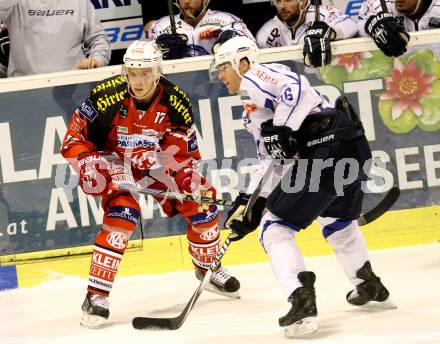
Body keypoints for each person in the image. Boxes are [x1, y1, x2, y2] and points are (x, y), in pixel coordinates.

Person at [210, 36, 396, 338]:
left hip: (326, 149)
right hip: (350, 151)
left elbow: (295, 88)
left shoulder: (255, 76)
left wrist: (283, 127)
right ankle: (368, 284)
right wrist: (249, 204)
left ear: (242, 62)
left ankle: (301, 300)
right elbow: (273, 160)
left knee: (276, 228)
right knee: (337, 223)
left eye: (223, 67)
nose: (220, 76)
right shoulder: (253, 108)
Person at [61, 40, 240, 328]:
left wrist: (185, 180)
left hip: (154, 161)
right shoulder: (105, 96)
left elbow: (181, 155)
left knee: (203, 203)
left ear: (157, 72)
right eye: (133, 73)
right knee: (123, 213)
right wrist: (88, 165)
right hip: (111, 160)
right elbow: (73, 140)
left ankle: (207, 269)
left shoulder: (176, 101)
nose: (138, 81)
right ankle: (96, 296)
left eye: (145, 73)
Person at [0, 0, 111, 77]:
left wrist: (97, 60)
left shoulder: (80, 2)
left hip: (72, 86)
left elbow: (99, 38)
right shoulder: (15, 3)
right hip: (24, 88)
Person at [256, 0, 358, 67]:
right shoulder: (266, 33)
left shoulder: (323, 13)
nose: (281, 6)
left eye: (288, 0)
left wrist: (330, 32)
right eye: (278, 0)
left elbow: (352, 25)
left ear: (304, 1)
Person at [149, 0, 254, 60]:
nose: (186, 1)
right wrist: (160, 52)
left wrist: (235, 42)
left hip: (220, 86)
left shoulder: (228, 21)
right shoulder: (160, 27)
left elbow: (252, 51)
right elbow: (146, 63)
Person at [356, 0, 425, 57]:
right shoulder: (379, 3)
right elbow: (357, 29)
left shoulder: (435, 5)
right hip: (393, 65)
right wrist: (370, 24)